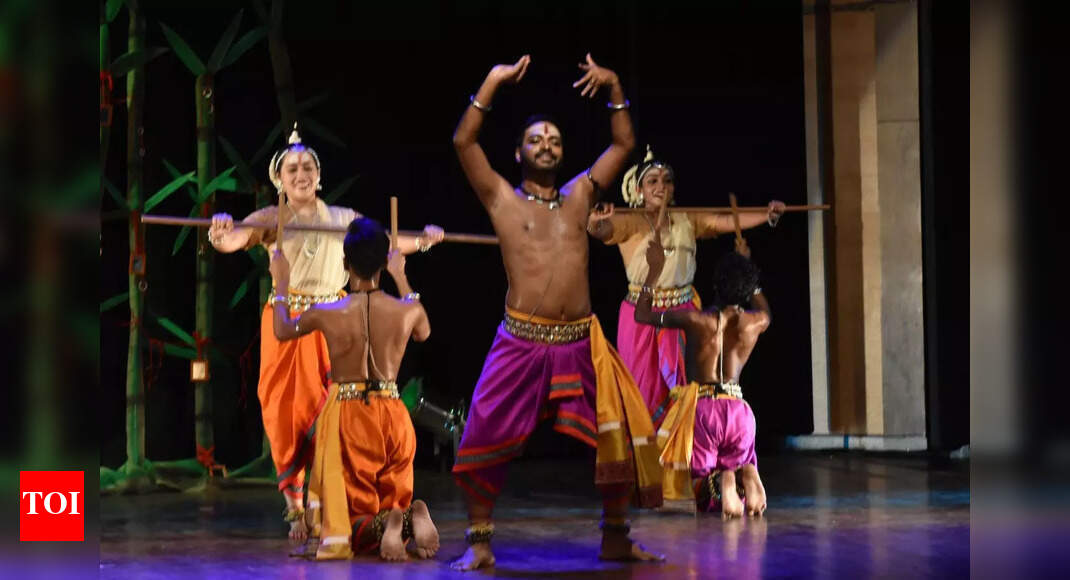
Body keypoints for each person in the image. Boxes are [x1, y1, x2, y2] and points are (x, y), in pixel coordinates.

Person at [449, 54, 663, 571]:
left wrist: (614, 85)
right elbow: (463, 143)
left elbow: (624, 144)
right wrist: (492, 83)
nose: (546, 145)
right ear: (518, 152)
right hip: (520, 339)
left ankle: (615, 536)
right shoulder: (500, 197)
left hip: (579, 342)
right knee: (482, 435)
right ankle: (479, 541)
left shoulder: (581, 194)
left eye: (555, 140)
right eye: (535, 139)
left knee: (615, 436)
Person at [207, 126, 444, 541]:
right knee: (285, 412)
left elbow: (386, 243)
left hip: (336, 319)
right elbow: (234, 239)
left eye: (308, 167)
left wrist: (423, 241)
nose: (301, 174)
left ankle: (328, 502)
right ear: (279, 180)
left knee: (332, 412)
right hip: (288, 323)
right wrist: (222, 231)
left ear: (320, 175)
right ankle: (295, 506)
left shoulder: (344, 219)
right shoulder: (271, 218)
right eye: (292, 169)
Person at [269, 216, 439, 560]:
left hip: (350, 416)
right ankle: (406, 516)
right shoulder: (404, 311)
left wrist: (282, 282)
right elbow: (424, 331)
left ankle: (389, 525)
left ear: (344, 264)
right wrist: (401, 275)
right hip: (393, 412)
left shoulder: (329, 310)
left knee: (347, 517)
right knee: (393, 488)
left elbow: (283, 330)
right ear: (382, 262)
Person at [587, 145, 784, 429]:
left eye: (666, 180)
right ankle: (647, 460)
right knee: (642, 390)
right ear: (639, 190)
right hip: (640, 313)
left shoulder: (687, 219)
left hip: (684, 312)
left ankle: (686, 457)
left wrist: (767, 216)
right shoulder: (627, 220)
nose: (661, 186)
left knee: (686, 384)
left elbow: (725, 221)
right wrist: (595, 221)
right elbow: (600, 231)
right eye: (652, 181)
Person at [633, 229, 770, 519]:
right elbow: (763, 308)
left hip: (705, 409)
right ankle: (743, 470)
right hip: (740, 411)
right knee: (735, 454)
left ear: (716, 285)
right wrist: (748, 270)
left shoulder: (696, 319)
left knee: (694, 477)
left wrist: (654, 271)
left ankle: (723, 479)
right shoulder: (756, 322)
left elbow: (642, 314)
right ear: (748, 288)